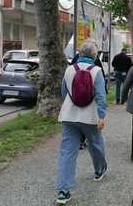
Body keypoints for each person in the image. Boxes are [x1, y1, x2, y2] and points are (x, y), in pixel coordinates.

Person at [55, 42, 108, 204]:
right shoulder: (97, 71)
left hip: (69, 115)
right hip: (89, 116)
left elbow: (64, 92)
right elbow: (100, 95)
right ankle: (99, 171)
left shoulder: (69, 69)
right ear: (95, 55)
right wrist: (101, 115)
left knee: (67, 151)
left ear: (79, 53)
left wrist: (71, 106)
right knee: (95, 144)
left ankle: (63, 191)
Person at [70, 38, 108, 150]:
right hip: (89, 97)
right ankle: (88, 143)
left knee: (78, 121)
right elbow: (100, 80)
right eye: (96, 46)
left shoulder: (75, 60)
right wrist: (102, 114)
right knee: (88, 122)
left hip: (75, 97)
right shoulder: (94, 61)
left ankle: (79, 141)